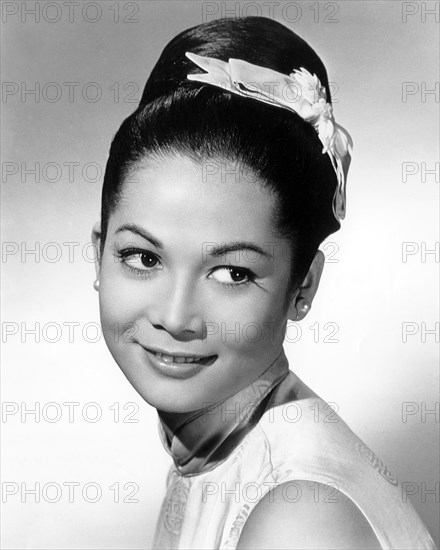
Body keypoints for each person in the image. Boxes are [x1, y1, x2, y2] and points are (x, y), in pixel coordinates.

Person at [91, 16, 436, 550]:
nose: (176, 317)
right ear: (98, 252)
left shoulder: (298, 519)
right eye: (142, 257)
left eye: (233, 273)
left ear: (303, 287)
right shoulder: (211, 450)